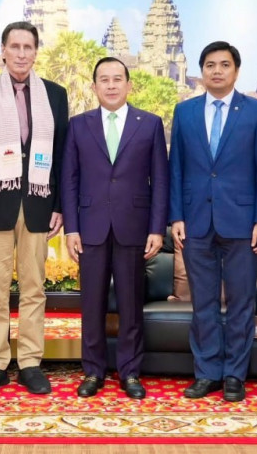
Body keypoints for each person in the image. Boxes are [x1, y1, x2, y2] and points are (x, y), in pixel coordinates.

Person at [0, 21, 69, 395]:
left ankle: (30, 362)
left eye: (28, 47)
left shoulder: (55, 94)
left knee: (34, 288)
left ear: (36, 52)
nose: (22, 53)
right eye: (15, 46)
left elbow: (62, 156)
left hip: (39, 203)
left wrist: (59, 205)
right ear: (3, 50)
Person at [169, 42, 257, 402]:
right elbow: (176, 167)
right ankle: (207, 372)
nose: (217, 71)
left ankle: (234, 375)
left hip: (243, 223)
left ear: (236, 71)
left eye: (224, 65)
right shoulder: (184, 111)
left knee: (242, 303)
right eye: (210, 65)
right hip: (196, 222)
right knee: (203, 304)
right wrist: (176, 216)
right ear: (201, 71)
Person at [61, 57, 168, 399]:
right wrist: (71, 228)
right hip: (90, 228)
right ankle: (93, 371)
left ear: (128, 85)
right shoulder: (78, 125)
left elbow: (160, 181)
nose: (111, 85)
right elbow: (69, 180)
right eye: (104, 80)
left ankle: (130, 372)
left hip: (134, 227)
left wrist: (157, 229)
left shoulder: (149, 124)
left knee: (130, 305)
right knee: (91, 305)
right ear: (94, 87)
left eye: (117, 79)